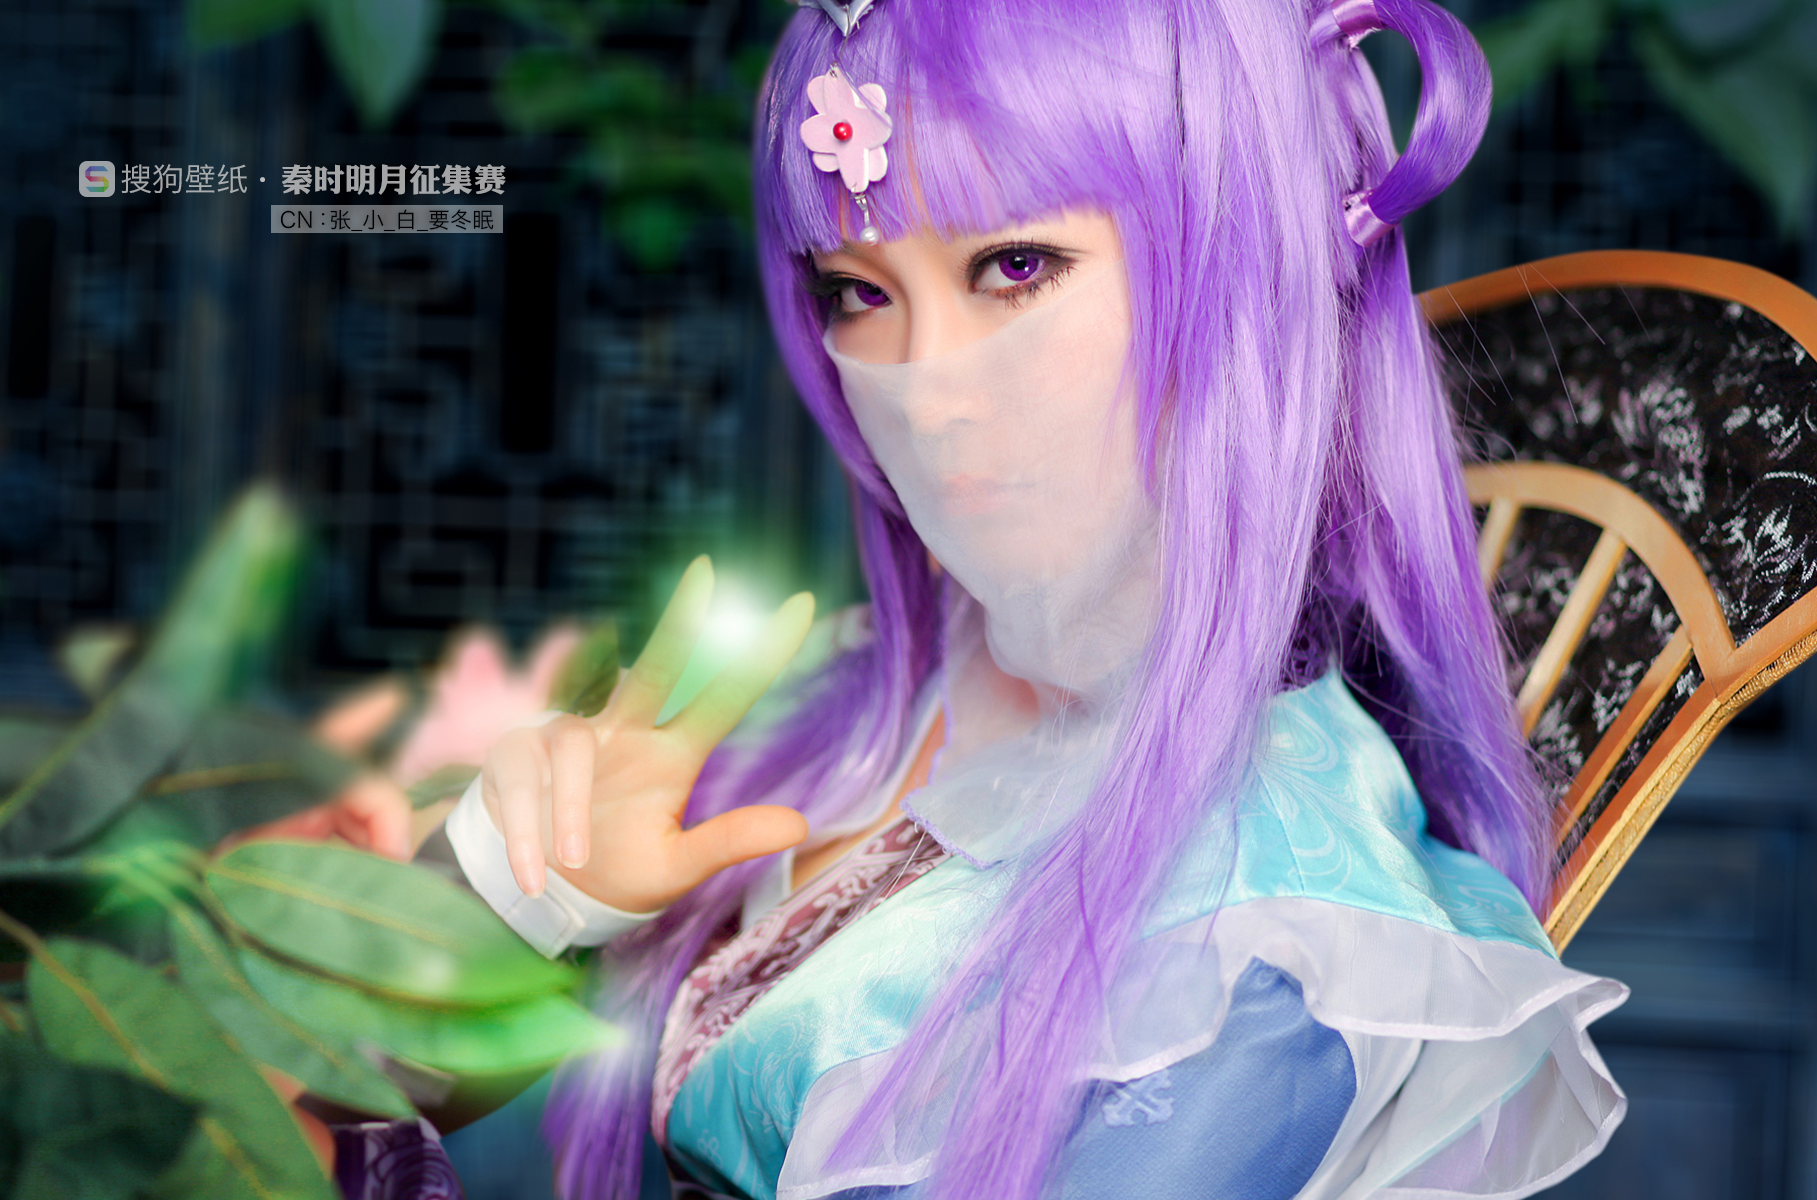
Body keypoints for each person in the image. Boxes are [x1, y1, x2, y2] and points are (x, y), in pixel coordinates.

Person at [417, 0, 1631, 1196]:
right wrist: (513, 898)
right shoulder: (847, 685)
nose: (930, 390)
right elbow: (344, 1098)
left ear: (1238, 267)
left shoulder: (1262, 959)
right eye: (858, 292)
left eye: (1015, 266)